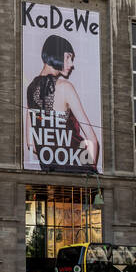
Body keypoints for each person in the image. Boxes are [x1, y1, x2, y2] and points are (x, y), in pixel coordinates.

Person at [24, 34, 101, 173]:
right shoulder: (65, 87)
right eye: (68, 57)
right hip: (79, 169)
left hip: (51, 171)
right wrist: (89, 173)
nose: (71, 64)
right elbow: (92, 140)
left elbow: (31, 144)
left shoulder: (30, 89)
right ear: (55, 53)